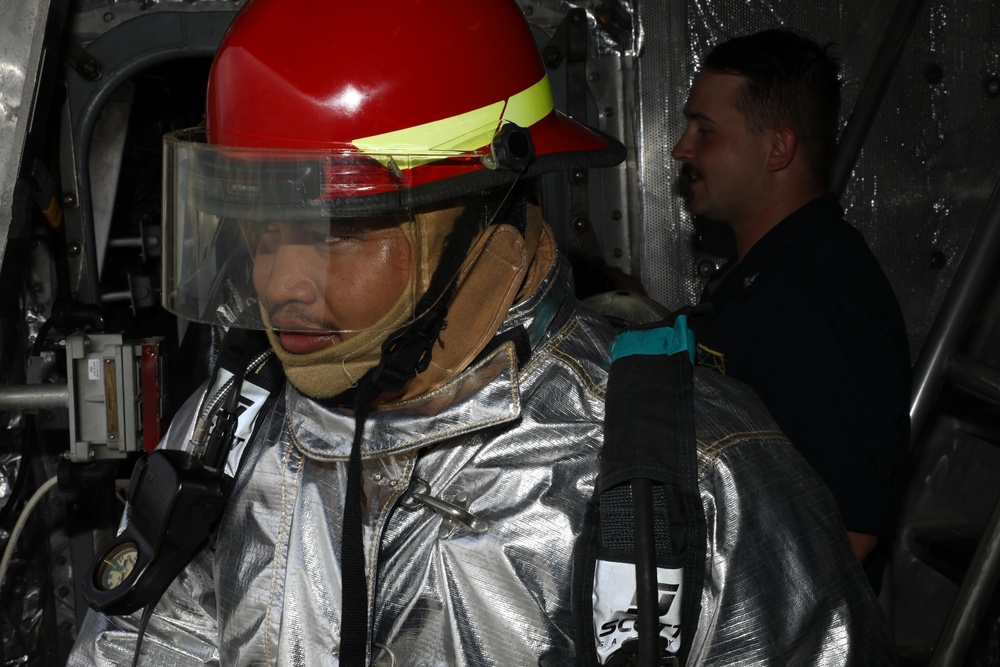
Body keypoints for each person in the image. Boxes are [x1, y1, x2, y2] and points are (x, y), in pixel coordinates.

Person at [70, 2, 895, 664]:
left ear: (481, 213)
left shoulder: (697, 489)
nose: (281, 283)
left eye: (342, 228)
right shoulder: (227, 432)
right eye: (258, 228)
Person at [671, 29, 911, 566]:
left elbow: (845, 537)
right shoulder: (766, 277)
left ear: (777, 148)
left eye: (705, 130)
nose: (681, 148)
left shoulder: (821, 301)